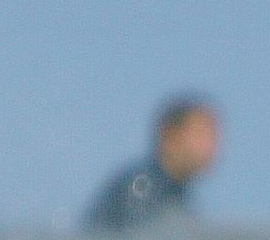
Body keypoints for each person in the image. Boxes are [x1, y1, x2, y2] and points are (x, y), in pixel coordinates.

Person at [84, 94, 223, 232]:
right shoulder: (141, 186)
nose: (211, 146)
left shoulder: (178, 195)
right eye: (201, 135)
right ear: (169, 135)